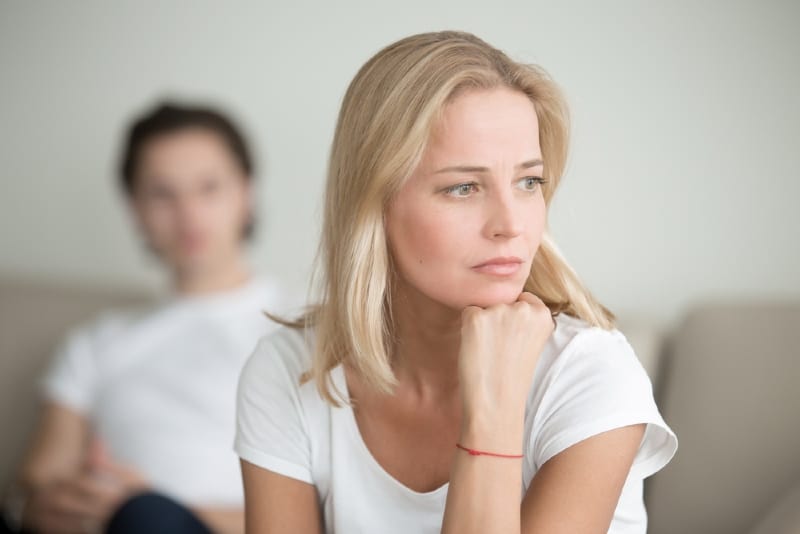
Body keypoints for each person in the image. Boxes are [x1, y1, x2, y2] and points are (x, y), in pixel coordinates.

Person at [234, 30, 678, 534]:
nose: (510, 224)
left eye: (528, 181)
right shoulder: (290, 370)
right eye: (464, 187)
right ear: (374, 205)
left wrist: (494, 405)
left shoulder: (590, 374)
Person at [1, 103, 292, 534]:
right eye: (162, 193)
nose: (188, 214)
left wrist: (153, 508)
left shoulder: (308, 328)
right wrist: (46, 507)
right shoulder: (97, 340)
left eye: (208, 188)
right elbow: (35, 484)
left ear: (246, 193)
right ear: (135, 209)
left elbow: (329, 509)